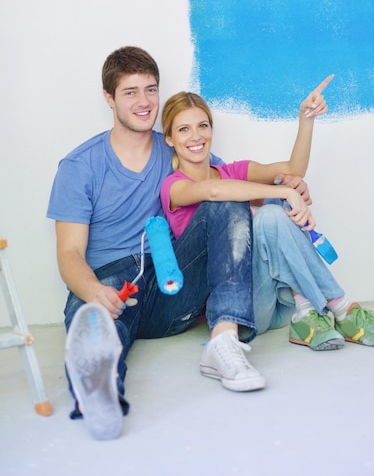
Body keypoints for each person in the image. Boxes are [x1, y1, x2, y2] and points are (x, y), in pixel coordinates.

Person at [49, 45, 301, 440]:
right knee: (99, 330)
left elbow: (229, 188)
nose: (144, 101)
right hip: (112, 282)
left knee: (221, 196)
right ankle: (101, 396)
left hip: (174, 283)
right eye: (130, 92)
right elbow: (68, 254)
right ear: (109, 98)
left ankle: (224, 342)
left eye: (151, 89)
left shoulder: (178, 148)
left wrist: (288, 189)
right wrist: (94, 290)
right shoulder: (80, 167)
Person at [160, 87, 374, 354]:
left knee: (273, 208)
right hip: (244, 313)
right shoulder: (174, 187)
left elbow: (293, 169)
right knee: (270, 209)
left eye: (202, 125)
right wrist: (284, 191)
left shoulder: (233, 171)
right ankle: (342, 308)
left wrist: (306, 119)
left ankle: (307, 313)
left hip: (279, 301)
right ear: (169, 138)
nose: (196, 136)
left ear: (211, 130)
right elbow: (214, 191)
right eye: (183, 129)